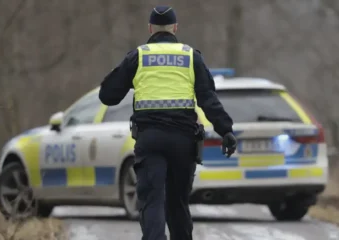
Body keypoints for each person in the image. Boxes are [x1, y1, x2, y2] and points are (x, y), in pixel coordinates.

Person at [98, 5, 237, 240]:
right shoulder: (191, 56)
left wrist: (123, 74)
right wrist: (226, 130)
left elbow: (107, 96)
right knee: (178, 204)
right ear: (175, 28)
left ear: (150, 28)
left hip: (150, 139)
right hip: (183, 141)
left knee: (152, 200)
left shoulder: (138, 56)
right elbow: (208, 99)